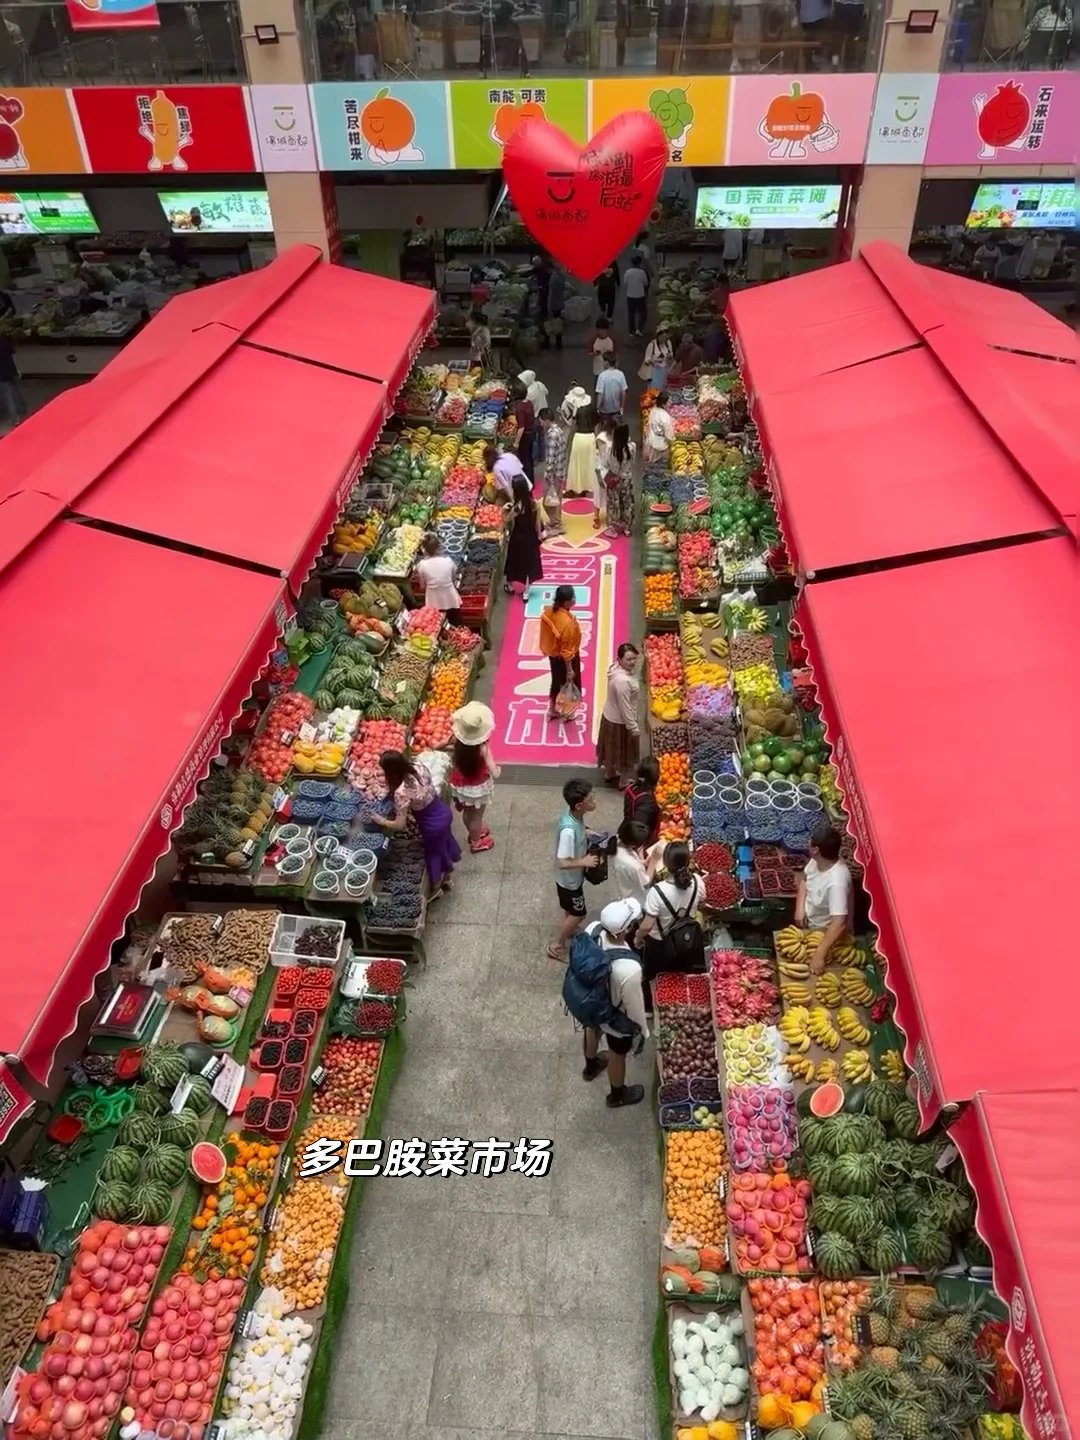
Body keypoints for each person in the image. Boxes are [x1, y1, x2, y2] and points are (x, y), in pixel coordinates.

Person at [570, 897, 649, 1107]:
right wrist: (641, 1030)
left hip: (589, 1001)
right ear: (623, 932)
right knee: (617, 1053)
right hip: (612, 1013)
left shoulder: (593, 929)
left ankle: (591, 1065)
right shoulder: (629, 968)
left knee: (591, 1028)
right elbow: (634, 1006)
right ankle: (617, 1095)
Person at [371, 751, 461, 897]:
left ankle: (437, 888)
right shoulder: (419, 767)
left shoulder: (401, 792)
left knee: (433, 855)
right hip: (442, 812)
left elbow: (400, 825)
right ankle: (448, 880)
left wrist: (382, 821)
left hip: (431, 825)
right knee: (444, 844)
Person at [635, 841, 705, 986]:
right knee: (683, 979)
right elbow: (702, 904)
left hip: (660, 944)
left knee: (659, 981)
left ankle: (654, 1002)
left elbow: (647, 926)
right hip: (688, 939)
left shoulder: (657, 891)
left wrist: (638, 938)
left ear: (665, 863)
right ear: (688, 861)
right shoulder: (698, 882)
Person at [549, 776, 598, 962]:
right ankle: (557, 945)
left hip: (567, 879)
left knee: (570, 910)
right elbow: (563, 862)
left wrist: (586, 833)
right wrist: (584, 862)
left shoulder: (571, 815)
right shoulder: (568, 832)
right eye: (590, 799)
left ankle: (569, 927)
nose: (594, 801)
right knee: (579, 913)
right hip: (569, 881)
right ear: (579, 806)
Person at [796, 823, 854, 974]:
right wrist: (799, 908)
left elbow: (839, 922)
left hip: (822, 931)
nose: (807, 843)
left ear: (815, 850)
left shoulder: (836, 882)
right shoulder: (819, 859)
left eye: (810, 841)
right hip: (809, 920)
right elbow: (805, 878)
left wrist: (819, 955)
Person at [449, 702, 500, 854]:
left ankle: (473, 833)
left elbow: (440, 744)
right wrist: (498, 770)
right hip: (477, 787)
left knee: (467, 812)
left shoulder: (457, 740)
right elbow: (495, 772)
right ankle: (476, 841)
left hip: (460, 784)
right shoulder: (482, 747)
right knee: (477, 817)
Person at [597, 641, 641, 785]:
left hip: (609, 716)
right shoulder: (623, 682)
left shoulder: (614, 668)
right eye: (628, 659)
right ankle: (623, 781)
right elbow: (625, 707)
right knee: (624, 752)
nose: (632, 662)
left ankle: (609, 773)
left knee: (611, 749)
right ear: (620, 659)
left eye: (634, 658)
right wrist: (633, 726)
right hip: (620, 722)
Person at [539, 583, 583, 723]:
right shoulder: (568, 624)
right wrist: (570, 670)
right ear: (566, 601)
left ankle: (552, 709)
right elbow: (567, 652)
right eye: (573, 597)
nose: (575, 599)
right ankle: (567, 713)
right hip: (566, 659)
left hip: (553, 656)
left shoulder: (549, 612)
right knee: (568, 684)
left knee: (556, 682)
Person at [503, 473, 544, 598]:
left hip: (517, 538)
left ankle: (510, 585)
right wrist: (539, 537)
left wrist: (504, 509)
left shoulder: (517, 508)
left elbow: (507, 519)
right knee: (529, 564)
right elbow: (538, 523)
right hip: (530, 538)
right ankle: (526, 591)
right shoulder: (534, 504)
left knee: (513, 561)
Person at [611, 819, 658, 910]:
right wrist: (654, 861)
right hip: (632, 900)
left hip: (620, 888)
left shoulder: (616, 841)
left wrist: (642, 862)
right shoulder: (634, 866)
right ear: (634, 845)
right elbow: (646, 883)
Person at [538, 408, 568, 535]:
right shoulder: (559, 430)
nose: (540, 424)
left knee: (548, 500)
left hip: (554, 474)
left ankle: (557, 524)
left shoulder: (551, 435)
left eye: (541, 421)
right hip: (561, 471)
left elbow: (550, 459)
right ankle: (556, 521)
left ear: (546, 421)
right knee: (557, 497)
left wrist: (547, 475)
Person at [415, 533, 461, 616]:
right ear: (439, 547)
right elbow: (454, 578)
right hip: (450, 597)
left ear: (424, 549)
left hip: (433, 600)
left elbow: (422, 586)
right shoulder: (448, 561)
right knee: (455, 623)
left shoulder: (422, 565)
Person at [603, 422, 636, 537]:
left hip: (614, 481)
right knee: (627, 503)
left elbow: (605, 464)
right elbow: (633, 462)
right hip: (627, 479)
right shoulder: (632, 447)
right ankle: (627, 527)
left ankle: (613, 529)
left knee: (613, 503)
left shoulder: (610, 449)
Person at [623, 755, 661, 848]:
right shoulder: (647, 802)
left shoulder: (632, 787)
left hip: (626, 826)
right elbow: (638, 826)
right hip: (639, 840)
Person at [566, 401, 598, 499]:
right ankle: (588, 487)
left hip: (579, 437)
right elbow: (597, 425)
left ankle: (576, 488)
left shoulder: (578, 411)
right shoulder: (593, 409)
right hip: (591, 437)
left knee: (576, 465)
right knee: (589, 464)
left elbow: (572, 426)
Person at [511, 379, 537, 485]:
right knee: (529, 458)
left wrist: (516, 443)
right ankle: (531, 480)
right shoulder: (529, 403)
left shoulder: (520, 408)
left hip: (525, 436)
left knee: (524, 460)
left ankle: (527, 483)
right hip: (531, 433)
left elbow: (521, 427)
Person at [592, 414, 614, 529]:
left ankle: (611, 515)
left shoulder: (617, 436)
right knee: (599, 492)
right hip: (602, 468)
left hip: (614, 467)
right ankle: (596, 516)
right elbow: (603, 455)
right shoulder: (601, 437)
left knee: (612, 493)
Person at [0, 333, 26, 430]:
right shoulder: (4, 339)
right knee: (16, 390)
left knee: (8, 396)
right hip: (10, 369)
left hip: (1, 373)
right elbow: (12, 355)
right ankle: (23, 410)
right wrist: (16, 369)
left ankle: (15, 418)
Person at [643, 391, 676, 464]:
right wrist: (674, 442)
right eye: (669, 401)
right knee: (660, 466)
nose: (670, 403)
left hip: (651, 443)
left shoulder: (653, 410)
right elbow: (669, 436)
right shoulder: (665, 416)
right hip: (660, 447)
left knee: (651, 464)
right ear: (663, 403)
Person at [594, 351, 627, 423]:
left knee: (605, 431)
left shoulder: (602, 376)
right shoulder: (620, 374)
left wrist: (597, 408)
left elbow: (600, 394)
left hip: (604, 411)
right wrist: (622, 407)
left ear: (606, 363)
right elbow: (623, 392)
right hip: (616, 409)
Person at [623, 253, 649, 337]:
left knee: (631, 314)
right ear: (639, 263)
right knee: (643, 314)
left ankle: (631, 331)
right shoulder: (642, 272)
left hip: (630, 296)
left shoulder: (628, 272)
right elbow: (646, 283)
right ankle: (639, 329)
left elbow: (625, 284)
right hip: (640, 296)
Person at [643, 325, 673, 392]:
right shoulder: (652, 345)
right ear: (658, 336)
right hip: (654, 372)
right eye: (662, 337)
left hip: (665, 371)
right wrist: (654, 360)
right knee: (653, 392)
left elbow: (671, 353)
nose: (664, 339)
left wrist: (669, 356)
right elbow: (646, 360)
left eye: (665, 337)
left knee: (664, 390)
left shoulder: (668, 343)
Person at [543, 266, 566, 350]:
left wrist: (549, 308)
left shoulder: (554, 279)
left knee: (548, 324)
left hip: (553, 305)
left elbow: (551, 295)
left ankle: (547, 343)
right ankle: (559, 344)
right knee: (558, 325)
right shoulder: (561, 277)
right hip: (559, 304)